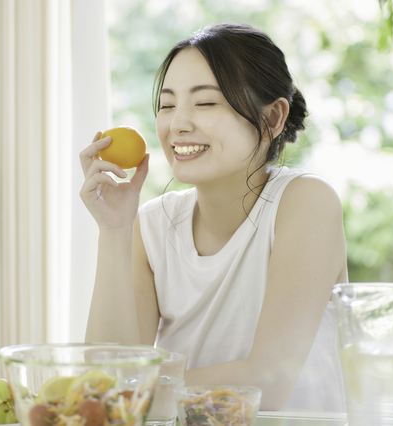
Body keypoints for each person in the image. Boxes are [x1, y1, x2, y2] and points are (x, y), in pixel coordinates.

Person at [79, 23, 347, 412]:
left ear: (272, 119)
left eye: (204, 103)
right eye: (167, 105)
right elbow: (107, 378)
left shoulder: (306, 202)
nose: (178, 124)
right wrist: (114, 228)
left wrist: (135, 393)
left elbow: (266, 381)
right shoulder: (151, 225)